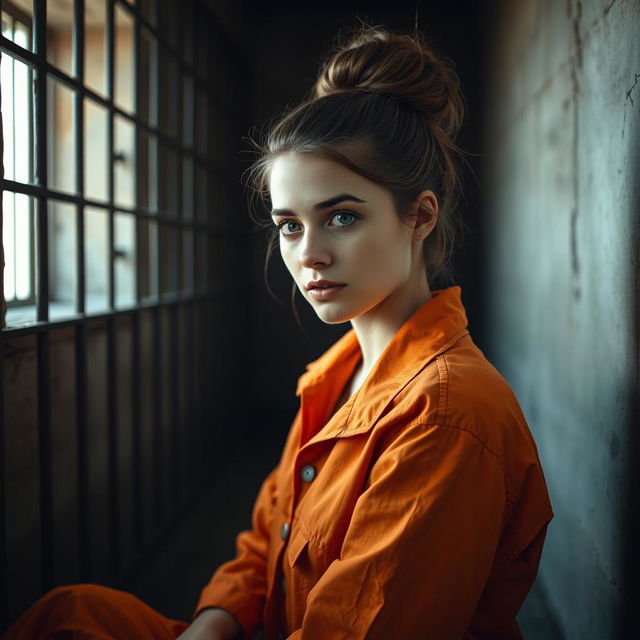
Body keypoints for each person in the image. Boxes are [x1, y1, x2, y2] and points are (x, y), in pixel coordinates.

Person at [2, 23, 554, 640]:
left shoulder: (447, 415)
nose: (308, 254)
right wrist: (210, 629)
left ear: (420, 215)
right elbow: (271, 532)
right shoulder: (341, 373)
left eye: (341, 216)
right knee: (71, 614)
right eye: (289, 225)